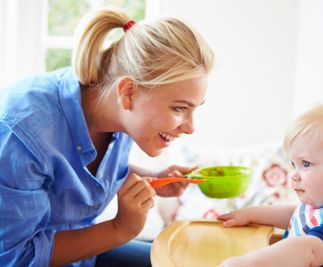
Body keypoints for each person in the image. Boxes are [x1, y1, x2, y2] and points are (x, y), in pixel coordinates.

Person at [0, 6, 213, 267]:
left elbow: (75, 173)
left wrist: (153, 179)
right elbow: (14, 257)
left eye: (194, 109)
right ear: (128, 92)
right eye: (180, 108)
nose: (190, 128)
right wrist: (121, 229)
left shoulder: (116, 109)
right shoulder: (21, 134)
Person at [217, 102, 323, 267]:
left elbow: (306, 251)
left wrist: (248, 263)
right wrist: (251, 214)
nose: (294, 175)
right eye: (294, 165)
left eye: (306, 164)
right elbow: (297, 215)